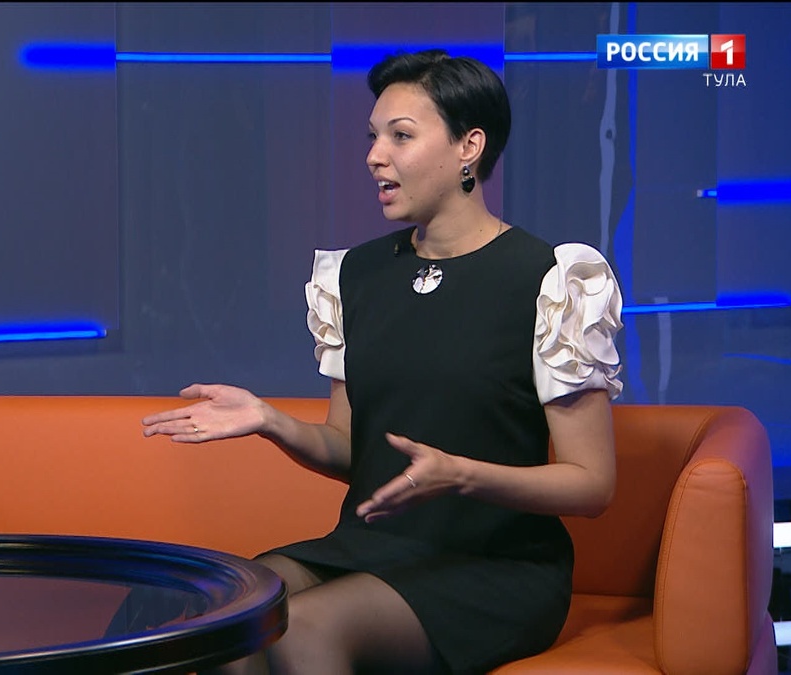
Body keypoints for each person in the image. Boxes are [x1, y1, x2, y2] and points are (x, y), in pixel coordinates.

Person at [141, 48, 623, 675]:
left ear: (469, 146)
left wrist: (462, 475)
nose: (375, 156)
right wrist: (270, 420)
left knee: (303, 631)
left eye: (401, 136)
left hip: (496, 565)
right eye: (373, 136)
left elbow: (592, 484)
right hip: (370, 547)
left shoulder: (551, 280)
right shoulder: (355, 275)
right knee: (229, 615)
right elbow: (350, 450)